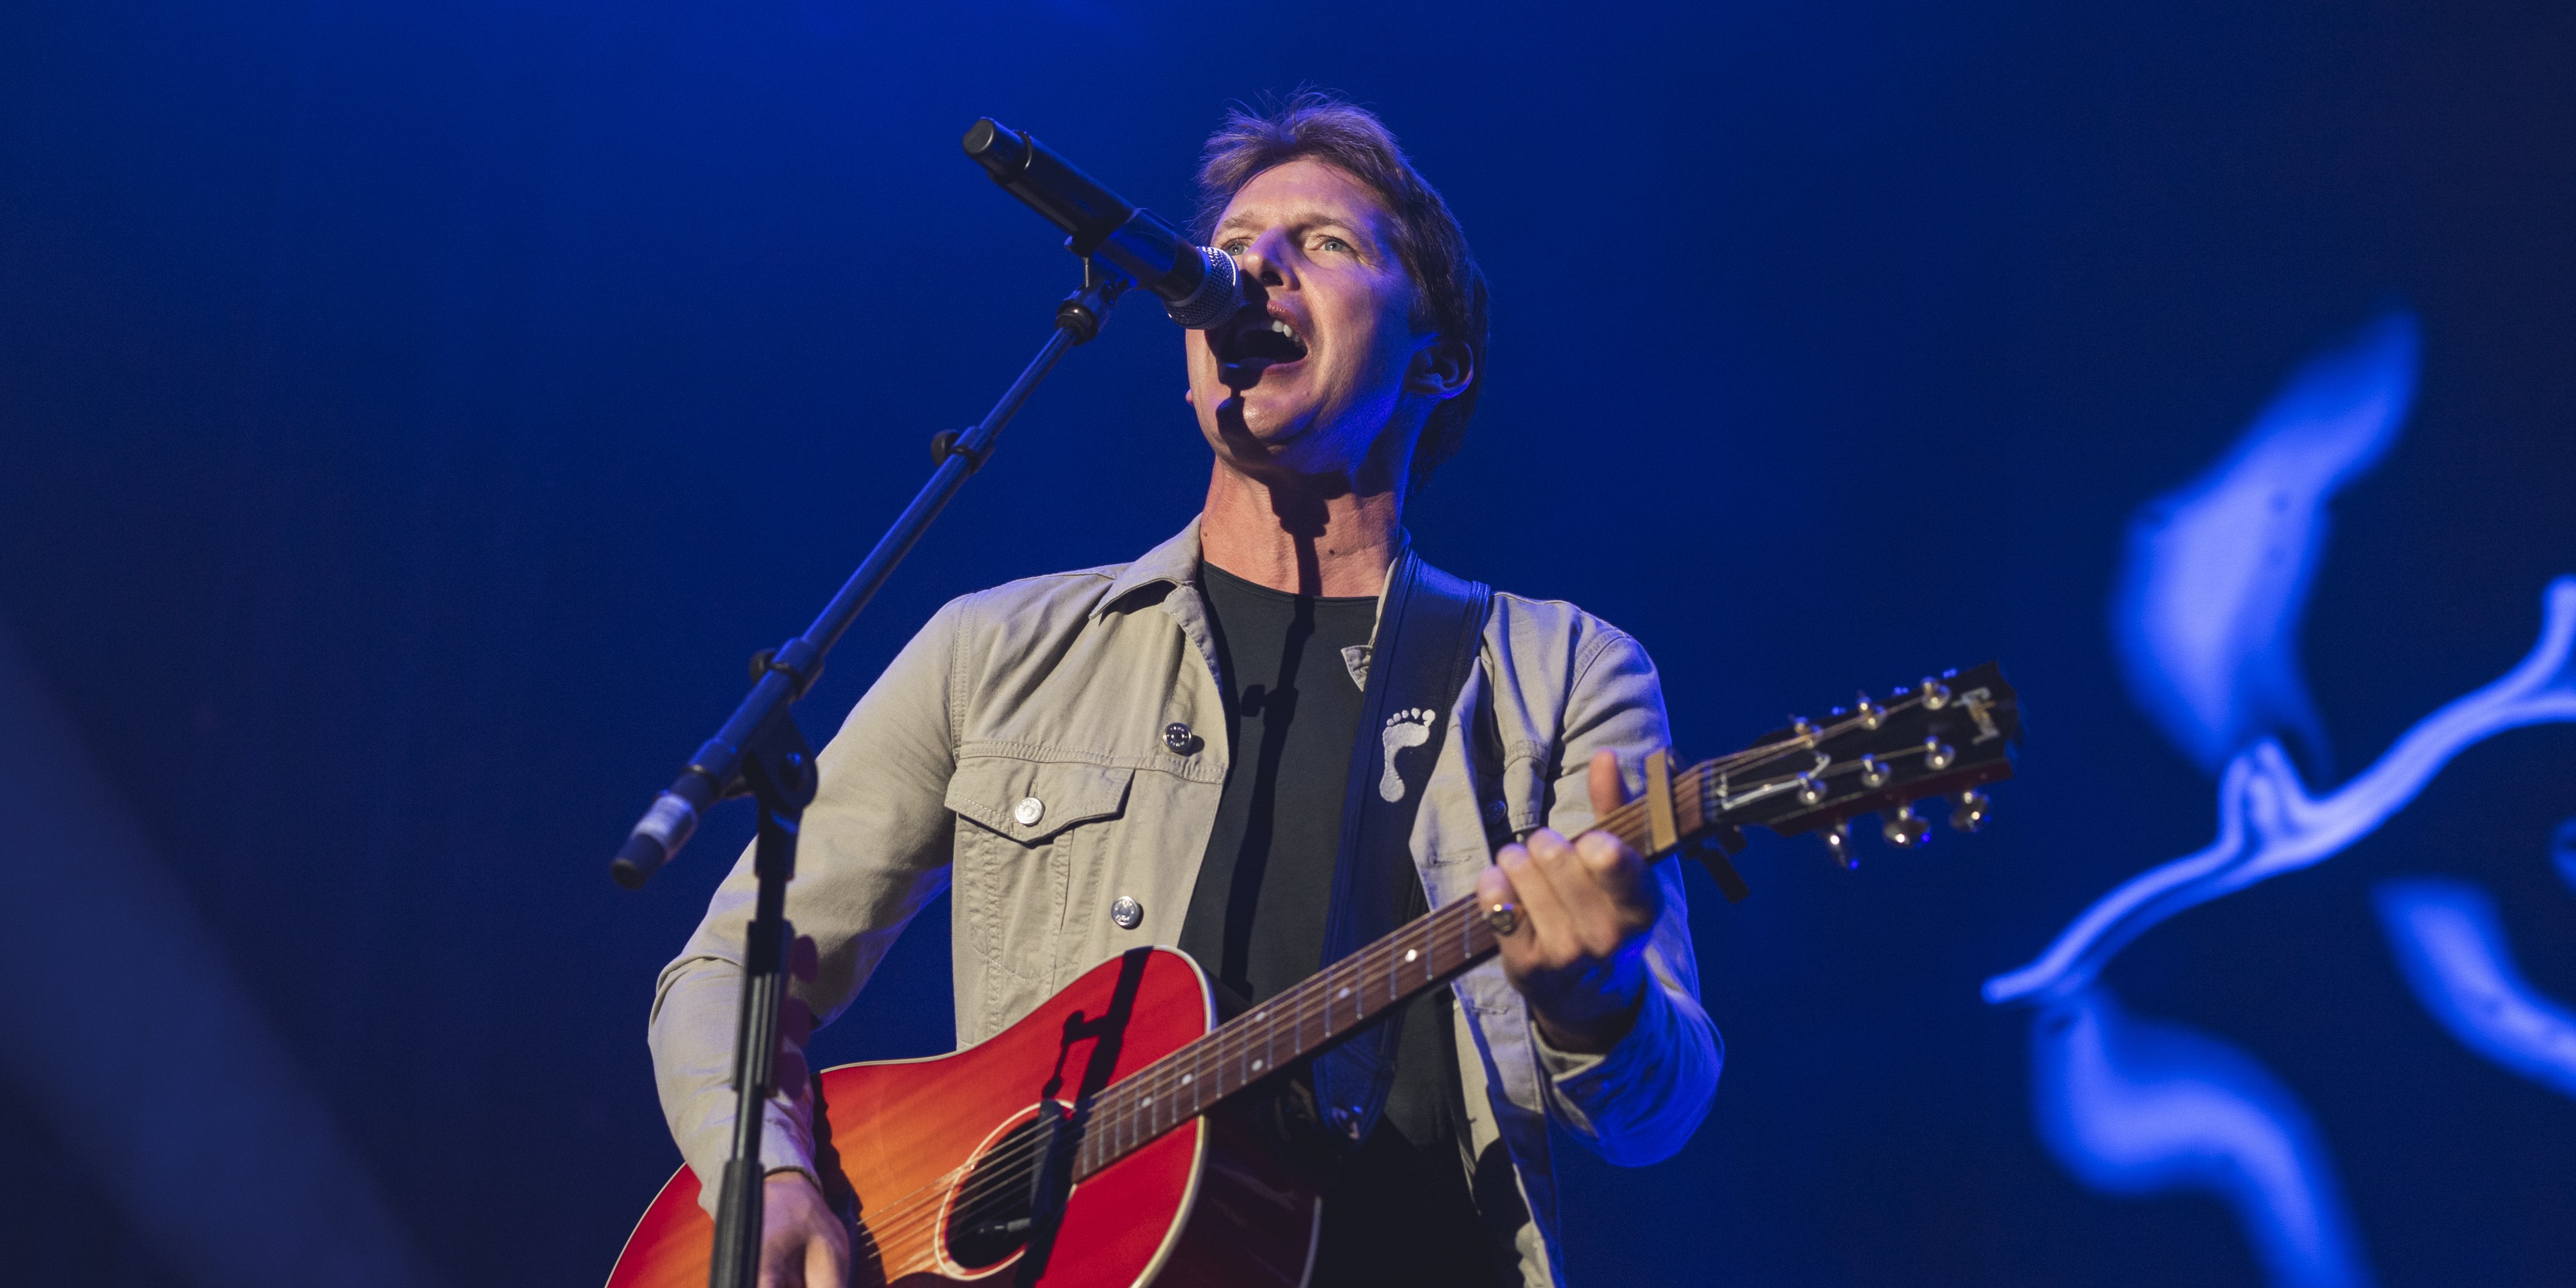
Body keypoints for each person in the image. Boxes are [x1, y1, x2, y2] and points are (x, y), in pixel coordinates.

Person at [649, 91, 1721, 1288]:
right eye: (1236, 243)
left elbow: (1656, 1110)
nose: (1252, 263)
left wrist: (1595, 997)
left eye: (1324, 244)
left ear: (1439, 359)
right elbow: (731, 973)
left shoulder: (1562, 672)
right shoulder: (996, 650)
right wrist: (770, 1174)